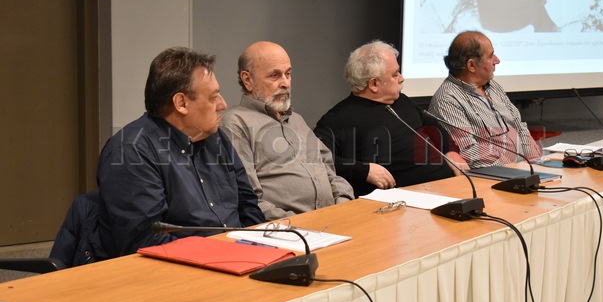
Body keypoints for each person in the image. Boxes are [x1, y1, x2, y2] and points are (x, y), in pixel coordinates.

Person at [97, 47, 265, 257]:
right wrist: (226, 254)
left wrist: (260, 250)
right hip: (183, 267)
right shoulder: (131, 152)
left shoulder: (215, 137)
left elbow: (248, 206)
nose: (223, 104)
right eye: (213, 97)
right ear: (181, 103)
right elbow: (146, 243)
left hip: (239, 256)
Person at [220, 41, 354, 220]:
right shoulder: (236, 123)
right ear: (247, 80)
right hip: (290, 229)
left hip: (333, 219)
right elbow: (250, 199)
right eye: (274, 75)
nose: (285, 83)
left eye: (288, 74)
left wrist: (343, 204)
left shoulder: (296, 119)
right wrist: (301, 224)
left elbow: (330, 172)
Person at [314, 40, 465, 198]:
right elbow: (315, 157)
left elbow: (433, 126)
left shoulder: (402, 101)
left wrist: (450, 150)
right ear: (374, 84)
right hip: (407, 200)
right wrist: (363, 170)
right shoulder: (339, 118)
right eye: (395, 74)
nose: (402, 78)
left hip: (449, 185)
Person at [429, 31, 542, 169]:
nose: (497, 60)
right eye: (490, 56)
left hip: (523, 170)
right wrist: (515, 169)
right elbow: (469, 151)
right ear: (471, 65)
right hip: (495, 176)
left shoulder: (493, 86)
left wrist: (535, 163)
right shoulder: (447, 100)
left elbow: (519, 126)